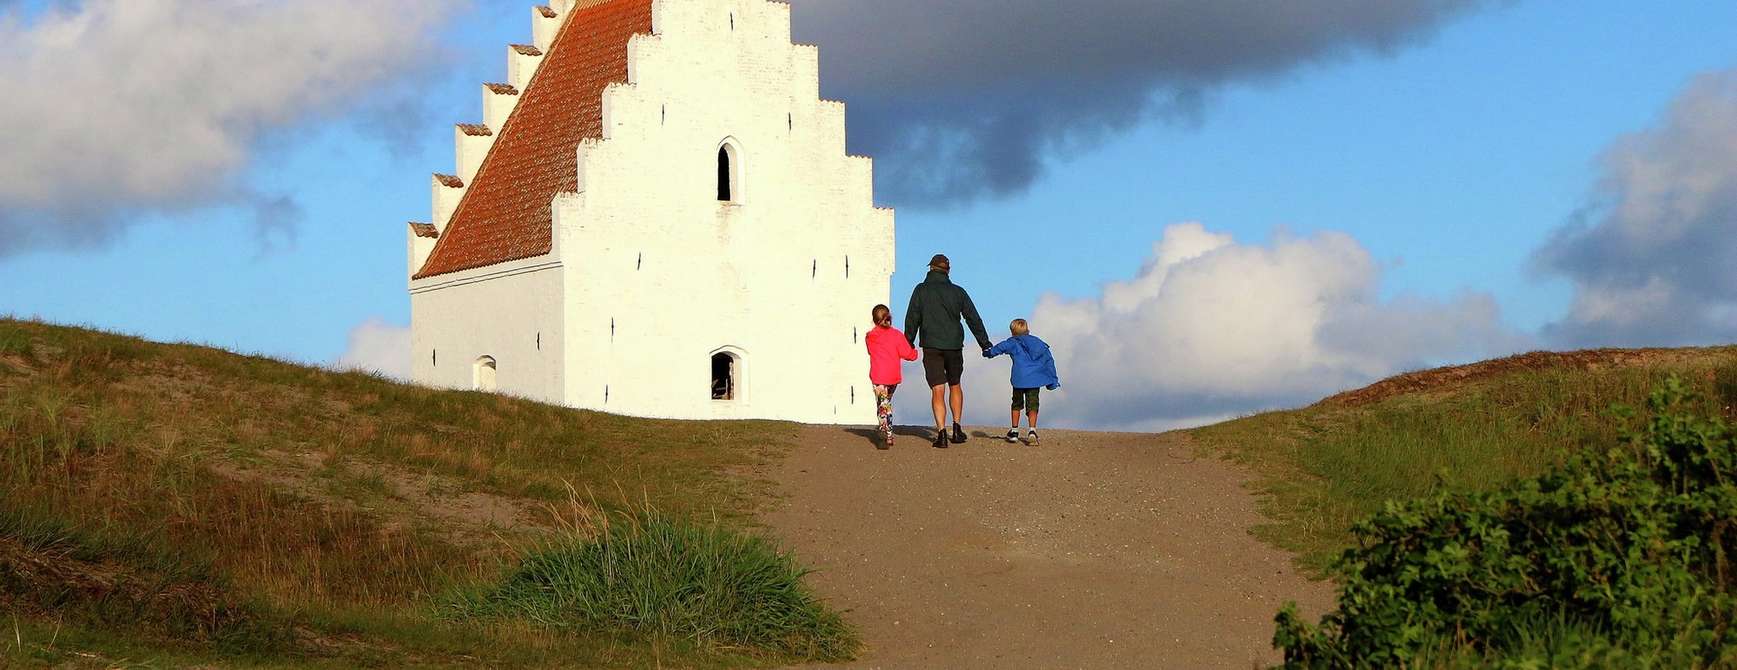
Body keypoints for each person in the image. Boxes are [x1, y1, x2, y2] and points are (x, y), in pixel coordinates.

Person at [904, 254, 991, 449]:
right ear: (948, 270)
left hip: (931, 345)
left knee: (937, 389)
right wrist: (984, 343)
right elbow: (973, 318)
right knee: (955, 384)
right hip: (953, 345)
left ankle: (942, 433)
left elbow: (912, 317)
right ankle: (957, 428)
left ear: (931, 269)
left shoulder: (920, 290)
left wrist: (907, 342)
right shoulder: (958, 292)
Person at [983, 318, 1060, 445]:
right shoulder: (1038, 343)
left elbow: (999, 348)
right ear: (1027, 330)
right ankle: (1032, 431)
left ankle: (1014, 431)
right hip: (1035, 380)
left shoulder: (1012, 342)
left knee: (1016, 404)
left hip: (1019, 379)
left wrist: (988, 352)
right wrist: (1053, 379)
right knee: (1033, 405)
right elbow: (1049, 360)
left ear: (1013, 332)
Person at [864, 304, 920, 449]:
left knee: (882, 404)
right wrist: (915, 353)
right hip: (892, 376)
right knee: (886, 403)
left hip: (878, 375)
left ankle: (885, 431)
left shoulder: (870, 337)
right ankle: (887, 432)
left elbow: (870, 351)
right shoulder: (896, 335)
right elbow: (908, 354)